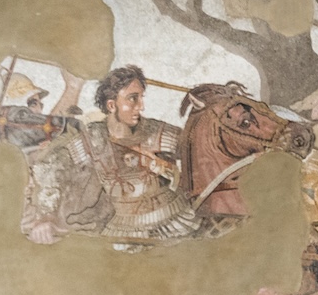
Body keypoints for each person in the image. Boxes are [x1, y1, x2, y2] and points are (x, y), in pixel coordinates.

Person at [20, 64, 200, 246]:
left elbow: (199, 149)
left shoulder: (158, 132)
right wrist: (46, 216)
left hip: (172, 220)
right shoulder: (93, 139)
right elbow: (52, 171)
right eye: (133, 99)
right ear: (112, 105)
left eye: (141, 98)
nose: (141, 106)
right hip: (120, 229)